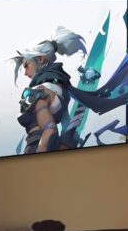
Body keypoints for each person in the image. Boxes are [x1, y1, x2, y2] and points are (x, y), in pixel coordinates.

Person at [10, 26, 87, 154]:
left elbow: (50, 130)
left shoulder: (37, 93)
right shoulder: (60, 88)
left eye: (26, 65)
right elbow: (66, 125)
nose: (25, 73)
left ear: (40, 59)